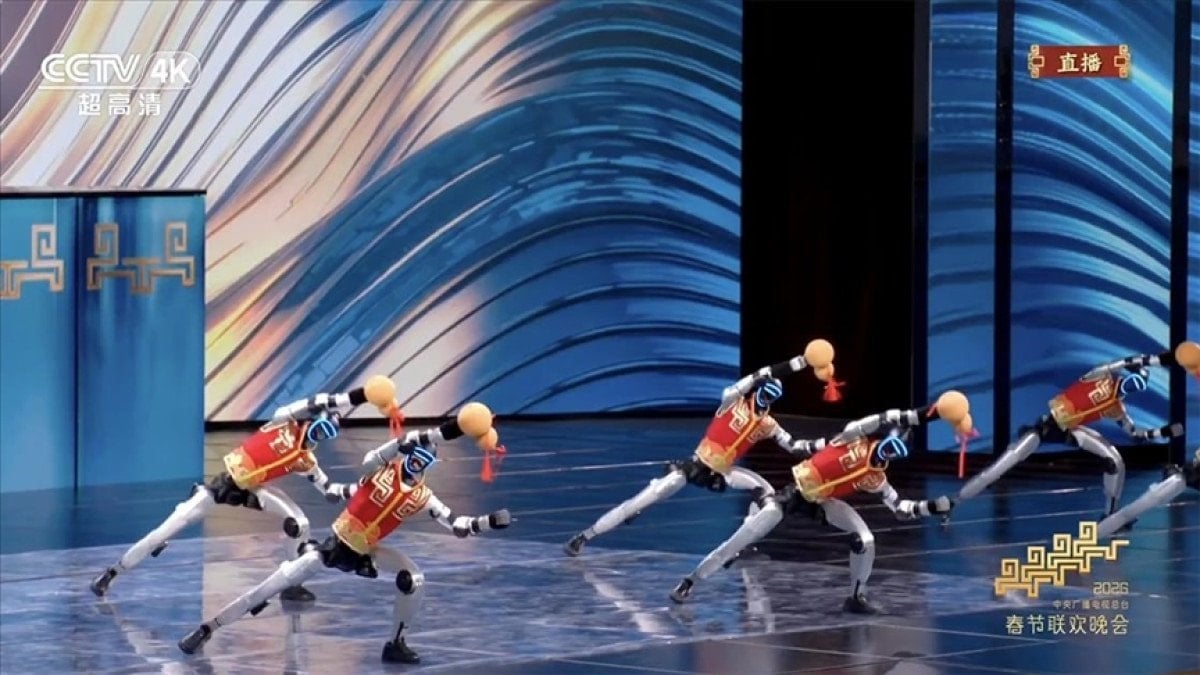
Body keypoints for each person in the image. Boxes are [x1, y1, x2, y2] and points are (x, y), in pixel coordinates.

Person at [177, 402, 509, 664]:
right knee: (269, 586)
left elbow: (457, 525)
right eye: (415, 456)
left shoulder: (424, 497)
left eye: (423, 461)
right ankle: (208, 628)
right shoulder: (380, 468)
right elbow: (391, 448)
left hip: (366, 552)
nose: (416, 463)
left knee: (414, 579)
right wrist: (448, 430)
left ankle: (395, 643)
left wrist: (487, 522)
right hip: (334, 545)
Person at [563, 340, 841, 603]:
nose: (765, 400)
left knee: (766, 493)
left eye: (771, 397)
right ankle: (586, 535)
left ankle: (736, 547)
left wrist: (829, 443)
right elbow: (759, 374)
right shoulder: (732, 400)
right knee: (649, 496)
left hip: (724, 472)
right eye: (764, 393)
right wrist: (800, 362)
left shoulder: (767, 425)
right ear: (757, 391)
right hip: (698, 465)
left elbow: (794, 446)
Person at [89, 375, 402, 602]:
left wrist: (364, 487)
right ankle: (112, 572)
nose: (320, 435)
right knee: (164, 531)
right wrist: (361, 396)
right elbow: (320, 401)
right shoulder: (283, 422)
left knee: (300, 523)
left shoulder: (306, 460)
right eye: (320, 427)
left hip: (253, 490)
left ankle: (291, 584)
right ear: (311, 422)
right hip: (224, 484)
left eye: (327, 434)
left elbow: (329, 490)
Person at [769, 391, 974, 613]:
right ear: (885, 438)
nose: (890, 452)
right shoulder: (854, 438)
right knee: (767, 512)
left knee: (866, 541)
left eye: (897, 452)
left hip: (824, 501)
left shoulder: (876, 479)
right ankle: (737, 549)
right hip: (799, 486)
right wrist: (927, 414)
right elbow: (881, 419)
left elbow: (900, 509)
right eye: (891, 445)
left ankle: (856, 598)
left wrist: (933, 507)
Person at [953, 342, 1199, 521]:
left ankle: (1110, 514)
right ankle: (956, 500)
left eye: (1135, 387)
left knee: (1114, 461)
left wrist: (1162, 432)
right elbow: (1126, 362)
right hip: (1049, 424)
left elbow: (1134, 433)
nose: (1129, 387)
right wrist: (1157, 361)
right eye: (1131, 382)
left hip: (1072, 431)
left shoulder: (1115, 407)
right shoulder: (1101, 375)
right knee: (1006, 462)